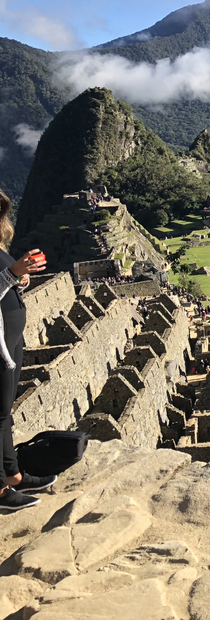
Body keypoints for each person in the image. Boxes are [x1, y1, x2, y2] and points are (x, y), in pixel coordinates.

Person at [0, 190, 57, 512]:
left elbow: (4, 281)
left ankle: (14, 475)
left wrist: (19, 279)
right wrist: (12, 274)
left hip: (9, 338)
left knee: (3, 413)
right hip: (0, 343)